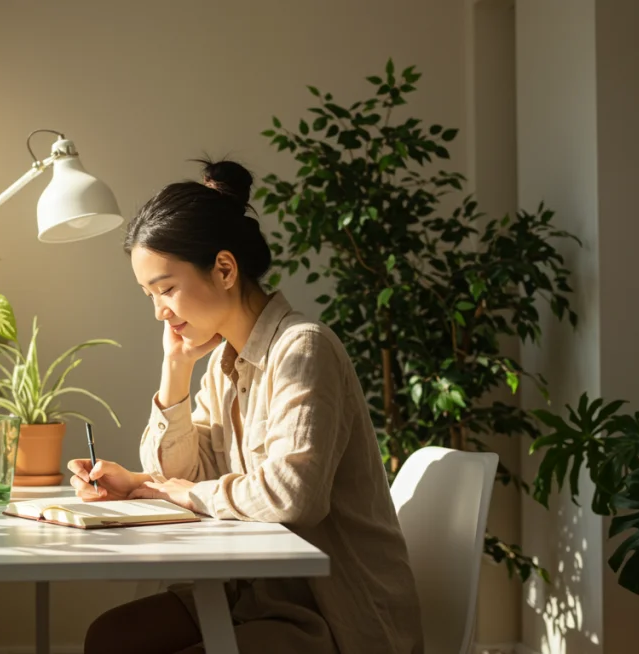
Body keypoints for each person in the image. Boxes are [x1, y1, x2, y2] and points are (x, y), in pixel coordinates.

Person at [68, 159, 424, 654]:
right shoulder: (223, 365)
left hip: (332, 616)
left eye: (167, 289)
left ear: (225, 269)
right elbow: (194, 472)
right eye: (149, 294)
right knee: (111, 638)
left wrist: (184, 494)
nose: (159, 311)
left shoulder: (302, 348)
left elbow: (292, 496)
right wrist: (173, 380)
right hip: (252, 596)